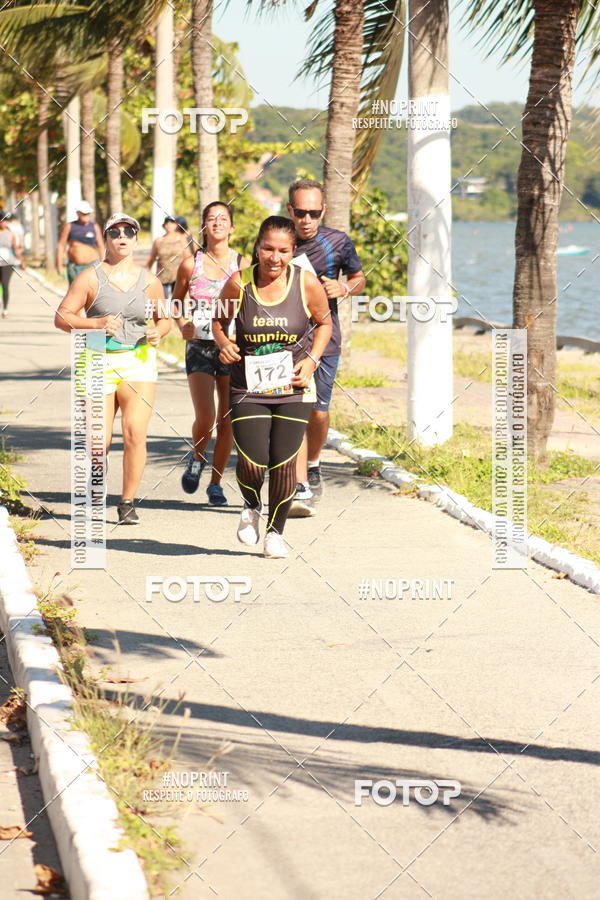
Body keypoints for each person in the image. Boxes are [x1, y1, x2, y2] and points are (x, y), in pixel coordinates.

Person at [214, 215, 332, 558]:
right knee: (253, 459)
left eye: (283, 251)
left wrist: (311, 361)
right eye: (268, 249)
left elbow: (324, 323)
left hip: (293, 386)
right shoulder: (239, 283)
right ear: (257, 247)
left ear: (293, 251)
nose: (274, 258)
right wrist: (223, 343)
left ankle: (275, 533)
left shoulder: (305, 283)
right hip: (248, 386)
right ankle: (251, 505)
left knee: (282, 462)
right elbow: (218, 321)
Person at [54, 213, 170, 524]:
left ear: (135, 239)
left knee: (135, 433)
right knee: (98, 441)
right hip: (96, 358)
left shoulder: (150, 281)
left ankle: (127, 501)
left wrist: (160, 331)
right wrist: (94, 323)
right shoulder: (90, 278)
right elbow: (62, 317)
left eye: (129, 232)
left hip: (138, 360)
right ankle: (96, 477)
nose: (122, 236)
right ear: (105, 238)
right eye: (115, 232)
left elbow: (165, 318)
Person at [286, 178, 366, 516]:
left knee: (318, 411)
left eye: (313, 213)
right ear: (289, 210)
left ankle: (314, 463)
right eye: (300, 212)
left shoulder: (338, 241)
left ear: (323, 212)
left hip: (325, 339)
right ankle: (295, 481)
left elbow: (360, 277)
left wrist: (344, 288)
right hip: (284, 340)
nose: (306, 220)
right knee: (292, 410)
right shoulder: (278, 239)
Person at [173, 201, 249, 506]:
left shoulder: (243, 265)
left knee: (227, 418)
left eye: (223, 219)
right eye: (210, 219)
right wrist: (182, 324)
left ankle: (216, 483)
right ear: (204, 227)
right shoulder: (191, 265)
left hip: (231, 347)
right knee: (205, 417)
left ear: (231, 227)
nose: (216, 223)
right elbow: (176, 301)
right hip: (201, 347)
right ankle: (197, 457)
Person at [56, 201, 104, 284]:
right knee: (76, 294)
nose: (86, 215)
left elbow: (101, 246)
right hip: (75, 267)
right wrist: (59, 266)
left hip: (91, 266)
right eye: (84, 213)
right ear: (78, 213)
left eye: (88, 213)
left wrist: (103, 265)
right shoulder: (70, 226)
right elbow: (61, 245)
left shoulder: (94, 227)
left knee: (92, 293)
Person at [146, 215, 191, 299]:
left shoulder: (181, 239)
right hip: (162, 276)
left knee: (178, 302)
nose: (169, 225)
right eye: (167, 223)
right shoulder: (159, 241)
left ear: (176, 225)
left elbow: (188, 257)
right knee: (162, 301)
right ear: (164, 226)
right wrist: (146, 273)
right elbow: (152, 258)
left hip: (178, 276)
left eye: (172, 223)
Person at [0, 212, 26, 317]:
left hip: (7, 264)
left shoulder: (11, 234)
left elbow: (15, 249)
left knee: (5, 285)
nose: (5, 223)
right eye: (3, 221)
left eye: (7, 221)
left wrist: (22, 261)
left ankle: (5, 309)